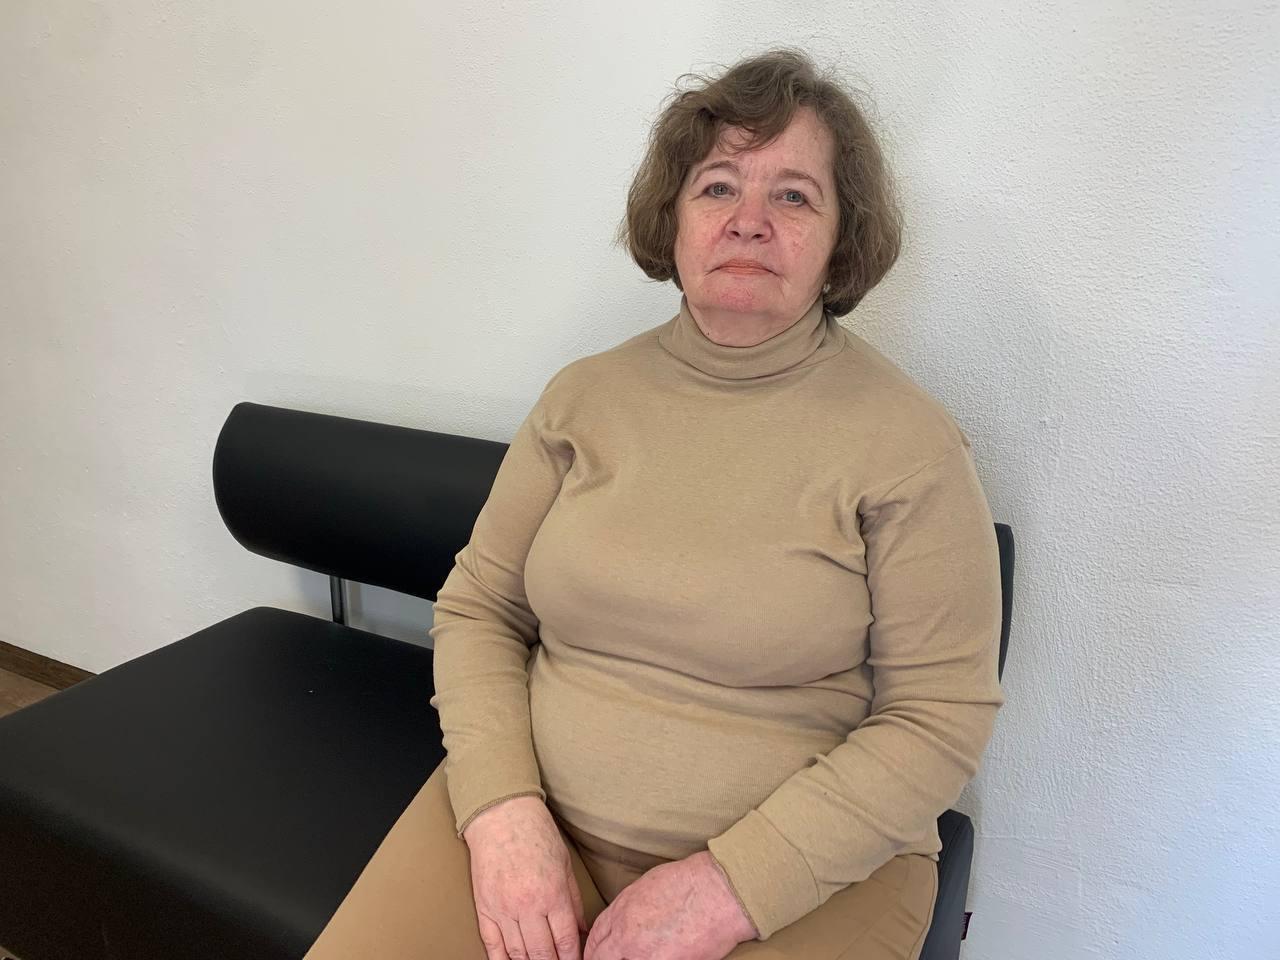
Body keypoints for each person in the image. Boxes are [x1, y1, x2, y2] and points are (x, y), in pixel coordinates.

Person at [303, 46, 1004, 960]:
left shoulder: (910, 446)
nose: (749, 220)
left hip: (806, 877)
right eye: (718, 187)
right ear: (671, 221)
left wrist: (731, 886)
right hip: (534, 823)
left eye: (794, 196)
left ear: (842, 239)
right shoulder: (582, 399)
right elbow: (481, 608)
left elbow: (938, 716)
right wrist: (502, 808)